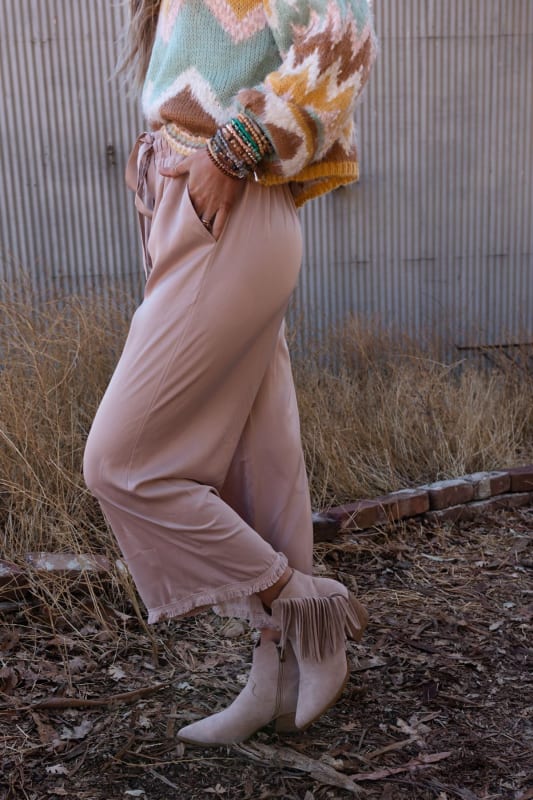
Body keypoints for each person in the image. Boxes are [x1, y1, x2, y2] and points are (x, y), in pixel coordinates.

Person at [84, 0, 377, 745]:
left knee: (123, 464)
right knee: (261, 462)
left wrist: (236, 145)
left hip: (232, 203)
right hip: (188, 203)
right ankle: (273, 679)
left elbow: (344, 40)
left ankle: (308, 607)